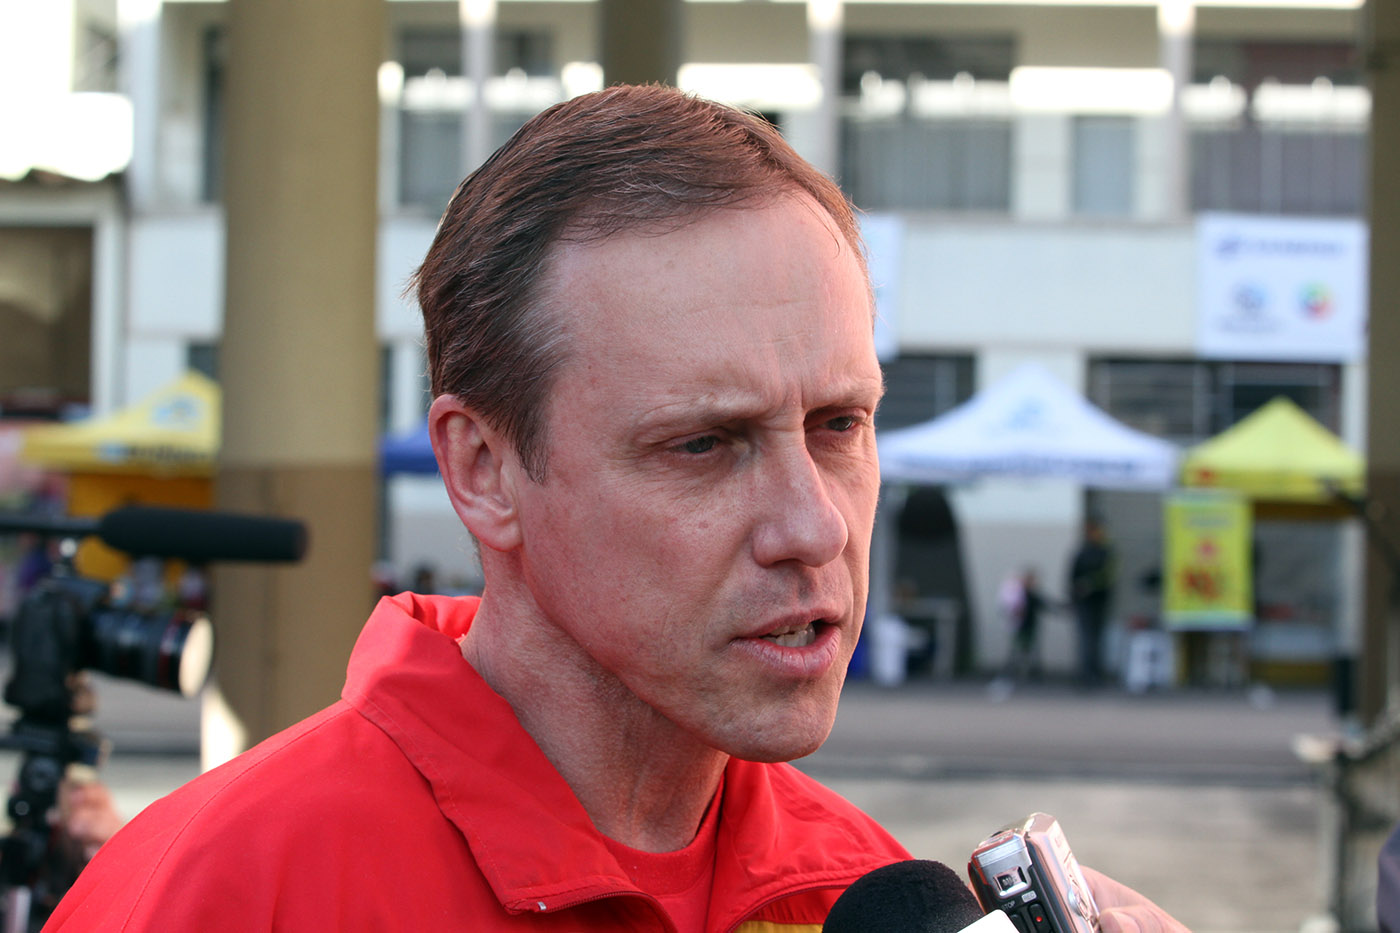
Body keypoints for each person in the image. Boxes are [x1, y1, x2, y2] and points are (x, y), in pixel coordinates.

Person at [44, 86, 1184, 932]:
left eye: (839, 425)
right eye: (704, 444)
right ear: (482, 469)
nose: (815, 528)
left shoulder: (858, 892)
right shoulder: (221, 893)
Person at [1068, 518, 1116, 688]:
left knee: (1096, 639)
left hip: (1099, 601)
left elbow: (1109, 576)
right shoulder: (1082, 552)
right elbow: (1072, 576)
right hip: (1084, 603)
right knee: (1087, 638)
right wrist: (1074, 596)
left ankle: (1095, 673)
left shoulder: (1106, 552)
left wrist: (1090, 584)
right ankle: (1087, 674)